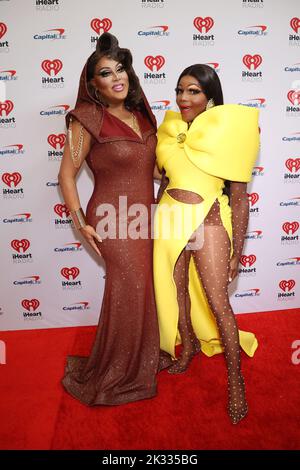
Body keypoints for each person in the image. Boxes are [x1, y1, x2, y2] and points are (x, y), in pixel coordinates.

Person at [58, 32, 160, 405]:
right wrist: (78, 218)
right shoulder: (86, 118)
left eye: (121, 68)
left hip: (144, 217)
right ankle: (117, 371)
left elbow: (149, 168)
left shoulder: (142, 116)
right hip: (111, 219)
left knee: (142, 288)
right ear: (93, 84)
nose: (117, 77)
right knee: (130, 287)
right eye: (106, 72)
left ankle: (140, 358)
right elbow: (66, 175)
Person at [154, 64, 260, 423]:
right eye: (180, 90)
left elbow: (241, 197)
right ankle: (188, 348)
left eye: (193, 91)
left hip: (209, 221)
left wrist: (238, 251)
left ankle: (235, 380)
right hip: (169, 218)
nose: (183, 98)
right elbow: (165, 178)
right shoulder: (169, 131)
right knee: (177, 292)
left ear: (210, 97)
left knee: (218, 303)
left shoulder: (227, 134)